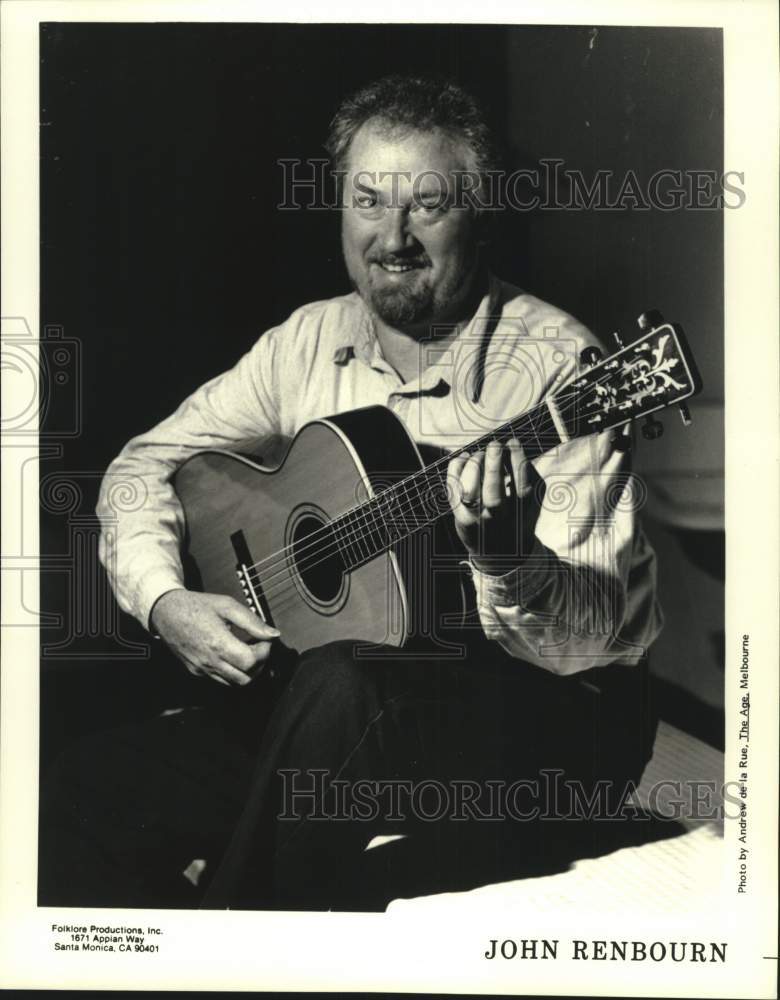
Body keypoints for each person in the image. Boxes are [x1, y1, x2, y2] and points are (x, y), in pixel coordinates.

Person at [40, 74, 662, 911]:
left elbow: (600, 641)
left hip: (552, 721)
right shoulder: (307, 340)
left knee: (345, 682)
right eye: (368, 201)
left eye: (428, 206)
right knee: (65, 800)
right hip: (330, 703)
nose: (392, 237)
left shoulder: (566, 370)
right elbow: (140, 467)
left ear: (478, 215)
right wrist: (164, 602)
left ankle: (232, 948)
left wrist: (508, 559)